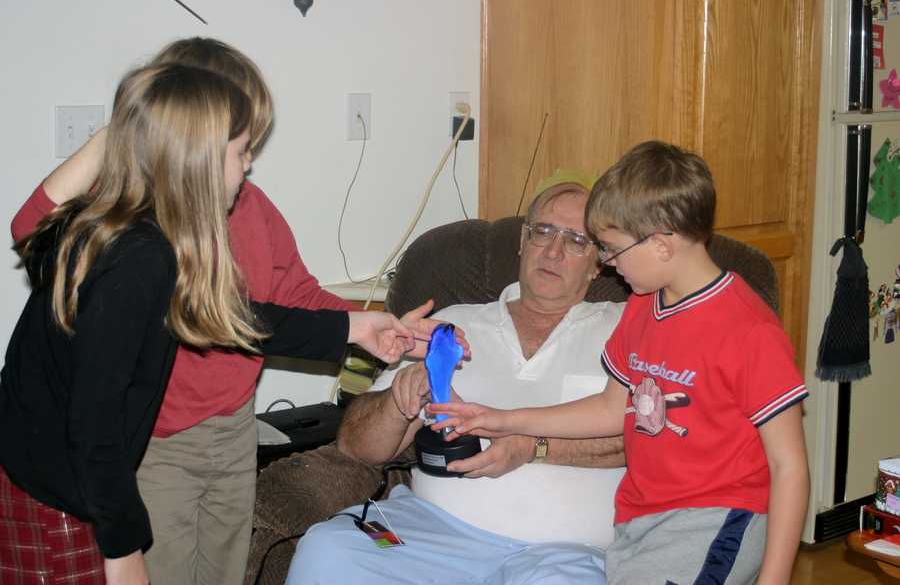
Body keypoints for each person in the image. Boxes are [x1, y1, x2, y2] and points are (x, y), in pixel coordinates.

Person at [8, 37, 445, 585]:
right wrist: (122, 548)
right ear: (192, 143)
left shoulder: (238, 214)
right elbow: (95, 419)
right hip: (153, 445)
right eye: (242, 146)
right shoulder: (132, 246)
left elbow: (246, 312)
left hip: (232, 431)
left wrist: (363, 326)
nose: (251, 162)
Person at [432, 141, 811, 585]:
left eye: (612, 249)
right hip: (640, 520)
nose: (608, 265)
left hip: (715, 520)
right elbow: (611, 409)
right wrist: (501, 419)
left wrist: (774, 578)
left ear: (662, 245)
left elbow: (789, 466)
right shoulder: (643, 307)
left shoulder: (748, 330)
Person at [286, 172, 627, 584]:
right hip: (427, 534)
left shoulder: (628, 328)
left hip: (564, 553)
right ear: (523, 241)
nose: (553, 251)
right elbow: (356, 447)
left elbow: (652, 439)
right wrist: (396, 401)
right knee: (331, 547)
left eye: (575, 240)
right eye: (543, 231)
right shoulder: (450, 325)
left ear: (598, 262)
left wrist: (534, 448)